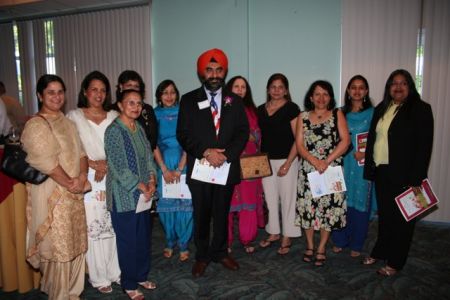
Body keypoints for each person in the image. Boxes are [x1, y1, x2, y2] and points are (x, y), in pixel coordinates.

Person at [176, 48, 249, 277]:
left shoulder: (234, 101)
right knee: (201, 214)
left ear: (224, 72)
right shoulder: (189, 100)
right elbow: (183, 134)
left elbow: (242, 132)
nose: (214, 74)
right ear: (202, 73)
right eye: (209, 70)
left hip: (225, 167)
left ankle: (220, 252)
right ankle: (202, 255)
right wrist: (206, 152)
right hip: (200, 168)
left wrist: (225, 155)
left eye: (219, 70)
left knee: (221, 212)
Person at [20, 74, 90, 299]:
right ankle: (59, 295)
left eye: (60, 91)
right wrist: (71, 183)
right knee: (58, 248)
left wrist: (82, 176)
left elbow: (81, 153)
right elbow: (46, 162)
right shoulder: (36, 124)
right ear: (40, 95)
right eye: (51, 92)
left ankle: (73, 293)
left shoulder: (67, 122)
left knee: (75, 244)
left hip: (74, 192)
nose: (57, 96)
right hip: (54, 194)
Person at [362, 69, 433, 276]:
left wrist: (416, 178)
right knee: (385, 217)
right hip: (382, 172)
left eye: (403, 83)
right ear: (388, 87)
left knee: (403, 220)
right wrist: (370, 169)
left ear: (410, 86)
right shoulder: (382, 108)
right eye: (394, 83)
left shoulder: (421, 109)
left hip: (406, 175)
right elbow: (373, 141)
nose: (398, 87)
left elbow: (424, 147)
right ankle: (381, 250)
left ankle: (395, 261)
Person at [67, 71, 120, 294]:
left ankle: (115, 271)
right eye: (94, 89)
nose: (98, 94)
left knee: (113, 225)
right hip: (87, 177)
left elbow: (120, 147)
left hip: (113, 175)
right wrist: (92, 164)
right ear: (85, 92)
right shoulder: (73, 117)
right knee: (94, 227)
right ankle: (98, 277)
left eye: (103, 90)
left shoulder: (115, 116)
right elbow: (70, 150)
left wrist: (106, 164)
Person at [105, 89, 157, 299]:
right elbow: (117, 166)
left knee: (143, 238)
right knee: (128, 241)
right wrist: (141, 185)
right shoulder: (114, 131)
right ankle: (129, 283)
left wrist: (152, 179)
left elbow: (148, 157)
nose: (136, 107)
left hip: (144, 196)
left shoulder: (139, 129)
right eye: (130, 103)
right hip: (124, 196)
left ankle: (141, 275)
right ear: (120, 105)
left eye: (139, 103)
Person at [295, 80, 350, 266]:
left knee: (329, 211)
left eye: (325, 94)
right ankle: (310, 245)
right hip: (308, 171)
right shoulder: (302, 116)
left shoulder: (337, 114)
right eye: (317, 94)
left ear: (331, 97)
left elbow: (345, 141)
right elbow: (299, 145)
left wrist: (325, 161)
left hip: (331, 170)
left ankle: (321, 247)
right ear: (311, 97)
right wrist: (314, 161)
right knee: (308, 210)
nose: (321, 98)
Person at [331, 75, 377, 258]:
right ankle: (340, 240)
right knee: (340, 201)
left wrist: (366, 154)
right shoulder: (339, 113)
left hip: (362, 166)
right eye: (353, 87)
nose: (357, 91)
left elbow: (379, 140)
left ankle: (357, 243)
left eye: (361, 88)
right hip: (342, 163)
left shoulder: (374, 114)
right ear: (348, 91)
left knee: (360, 205)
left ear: (366, 91)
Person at [257, 73, 301, 255]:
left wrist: (289, 163)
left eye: (280, 87)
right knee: (270, 198)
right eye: (273, 87)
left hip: (287, 160)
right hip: (265, 161)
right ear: (268, 89)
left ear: (286, 90)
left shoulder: (292, 108)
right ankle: (274, 231)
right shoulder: (260, 109)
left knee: (288, 198)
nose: (276, 90)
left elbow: (298, 139)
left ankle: (288, 235)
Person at [152, 79, 193, 262]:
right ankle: (170, 241)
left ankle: (183, 244)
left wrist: (180, 167)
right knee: (167, 207)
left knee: (185, 206)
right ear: (159, 96)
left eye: (172, 92)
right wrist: (164, 169)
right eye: (165, 92)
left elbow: (190, 140)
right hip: (163, 165)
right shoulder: (154, 114)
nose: (169, 96)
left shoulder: (185, 112)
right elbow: (152, 143)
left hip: (183, 162)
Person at [226, 76, 265, 254]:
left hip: (249, 163)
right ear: (229, 89)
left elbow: (257, 136)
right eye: (236, 86)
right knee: (226, 203)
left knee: (248, 203)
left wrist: (248, 135)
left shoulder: (252, 110)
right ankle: (225, 241)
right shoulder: (222, 108)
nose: (240, 90)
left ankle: (247, 239)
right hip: (227, 162)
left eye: (243, 87)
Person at [116, 70, 157, 151]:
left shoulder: (147, 109)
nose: (133, 89)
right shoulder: (112, 110)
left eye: (136, 86)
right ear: (121, 87)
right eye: (129, 85)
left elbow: (153, 140)